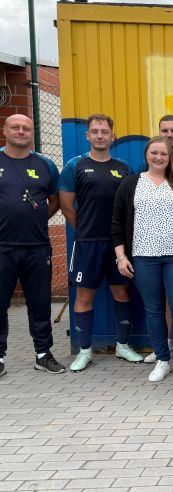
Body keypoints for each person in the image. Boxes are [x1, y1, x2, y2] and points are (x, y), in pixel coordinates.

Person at [112, 137, 173, 382]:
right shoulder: (131, 184)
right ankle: (162, 360)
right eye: (154, 152)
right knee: (153, 310)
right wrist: (121, 257)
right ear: (146, 155)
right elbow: (117, 223)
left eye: (164, 153)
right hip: (143, 256)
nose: (159, 157)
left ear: (170, 157)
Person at [59, 113, 143, 371]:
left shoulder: (123, 168)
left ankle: (122, 346)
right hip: (88, 243)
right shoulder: (75, 165)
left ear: (112, 136)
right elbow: (66, 206)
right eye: (95, 131)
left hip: (119, 245)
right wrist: (85, 230)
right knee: (84, 295)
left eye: (104, 132)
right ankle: (84, 351)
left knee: (122, 292)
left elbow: (132, 204)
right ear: (87, 135)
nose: (99, 136)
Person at [0, 114, 64, 376]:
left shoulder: (46, 164)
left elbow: (55, 201)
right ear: (5, 130)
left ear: (32, 133)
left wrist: (35, 220)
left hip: (37, 247)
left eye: (26, 128)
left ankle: (43, 354)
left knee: (40, 303)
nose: (21, 131)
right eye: (15, 127)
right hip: (2, 246)